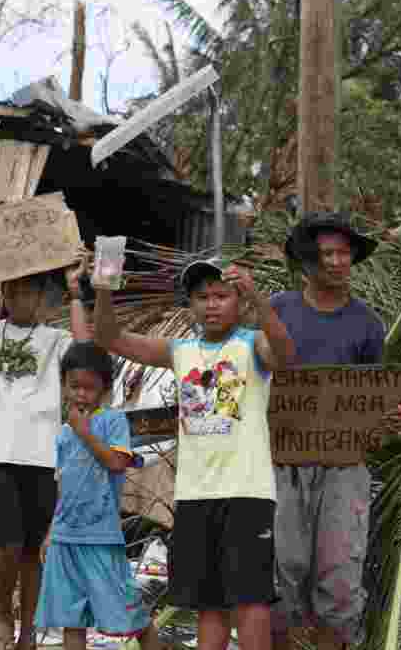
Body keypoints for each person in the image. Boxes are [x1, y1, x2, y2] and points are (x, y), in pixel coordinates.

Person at [93, 257, 296, 650]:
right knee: (209, 603)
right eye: (202, 297)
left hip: (247, 493)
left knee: (251, 601)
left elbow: (286, 353)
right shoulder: (179, 350)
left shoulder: (251, 344)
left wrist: (259, 299)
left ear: (238, 302)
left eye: (222, 295)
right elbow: (109, 337)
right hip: (192, 495)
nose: (212, 304)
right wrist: (103, 282)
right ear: (191, 306)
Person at [0, 258, 89, 650]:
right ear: (4, 295)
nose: (18, 297)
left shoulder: (55, 338)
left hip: (43, 453)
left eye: (27, 290)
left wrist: (76, 291)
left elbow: (84, 357)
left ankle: (27, 628)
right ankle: (1, 622)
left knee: (32, 549)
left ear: (42, 297)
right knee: (8, 542)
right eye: (11, 290)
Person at [271, 213, 385, 650]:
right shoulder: (279, 309)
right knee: (280, 580)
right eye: (327, 254)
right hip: (282, 464)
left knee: (339, 584)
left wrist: (387, 418)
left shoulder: (368, 324)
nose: (338, 262)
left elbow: (374, 399)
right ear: (308, 262)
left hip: (344, 467)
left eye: (344, 253)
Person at [35, 341, 163, 650]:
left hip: (101, 536)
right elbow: (62, 484)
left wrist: (85, 432)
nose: (81, 394)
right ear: (64, 385)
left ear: (104, 389)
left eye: (89, 388)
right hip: (66, 537)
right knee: (71, 619)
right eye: (74, 386)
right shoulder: (64, 432)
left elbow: (117, 463)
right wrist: (51, 530)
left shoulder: (112, 421)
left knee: (129, 614)